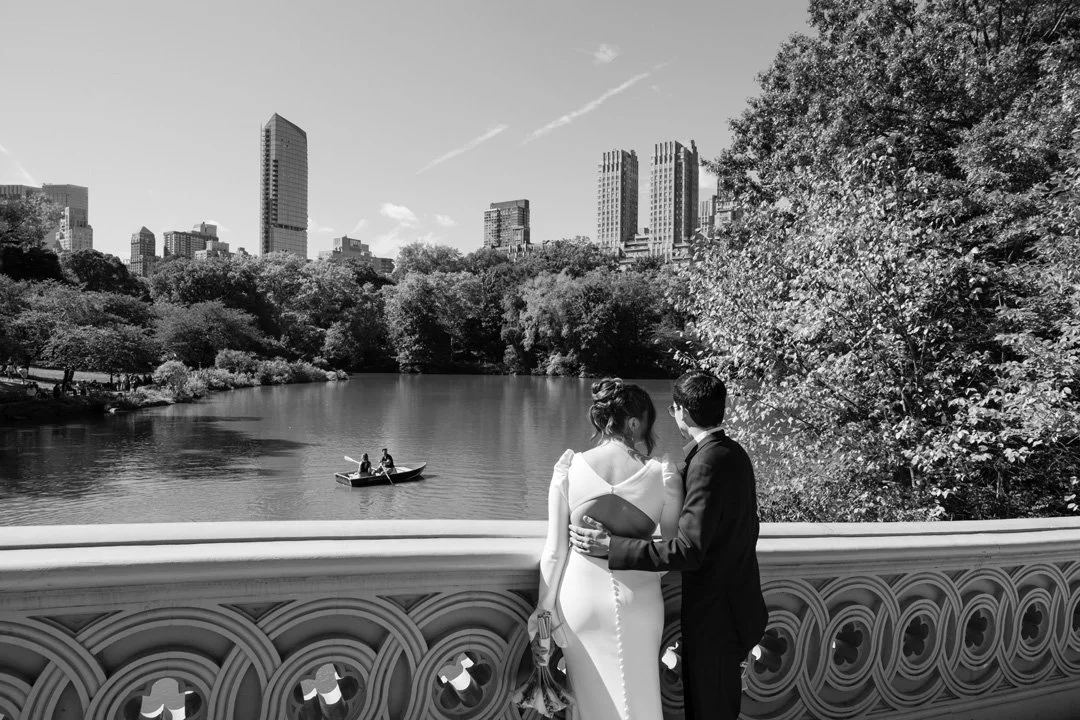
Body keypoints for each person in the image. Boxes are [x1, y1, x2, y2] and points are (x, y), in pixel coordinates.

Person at [569, 370, 768, 720]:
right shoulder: (731, 453)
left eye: (673, 408)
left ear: (682, 413)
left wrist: (611, 546)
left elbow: (688, 550)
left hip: (717, 620)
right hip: (733, 609)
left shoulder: (707, 463)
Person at [528, 378, 682, 720]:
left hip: (579, 601)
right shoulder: (663, 475)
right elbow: (672, 555)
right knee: (639, 700)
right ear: (634, 423)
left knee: (589, 703)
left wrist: (543, 612)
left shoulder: (568, 468)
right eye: (649, 423)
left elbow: (554, 552)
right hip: (639, 600)